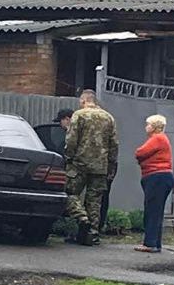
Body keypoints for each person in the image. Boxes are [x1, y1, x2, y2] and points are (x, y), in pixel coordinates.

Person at [64, 89, 118, 246]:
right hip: (100, 166)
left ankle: (82, 218)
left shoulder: (79, 115)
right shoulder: (109, 118)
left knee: (69, 193)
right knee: (94, 201)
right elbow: (114, 144)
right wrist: (111, 165)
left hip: (79, 164)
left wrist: (68, 157)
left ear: (83, 101)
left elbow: (71, 139)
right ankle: (92, 235)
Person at [134, 114, 174, 253]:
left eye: (148, 124)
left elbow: (140, 152)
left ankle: (150, 243)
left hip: (157, 177)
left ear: (155, 126)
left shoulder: (157, 138)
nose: (146, 126)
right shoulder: (161, 139)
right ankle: (155, 243)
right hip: (161, 177)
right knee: (156, 211)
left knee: (152, 210)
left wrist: (141, 159)